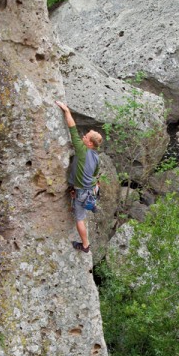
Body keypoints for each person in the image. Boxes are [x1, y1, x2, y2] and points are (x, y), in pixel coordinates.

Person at [56, 101, 103, 253]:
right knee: (85, 198)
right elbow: (95, 174)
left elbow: (72, 129)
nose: (83, 136)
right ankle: (92, 203)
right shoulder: (97, 157)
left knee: (79, 219)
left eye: (86, 137)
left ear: (90, 144)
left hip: (82, 191)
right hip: (89, 188)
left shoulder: (82, 150)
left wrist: (66, 111)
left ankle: (85, 245)